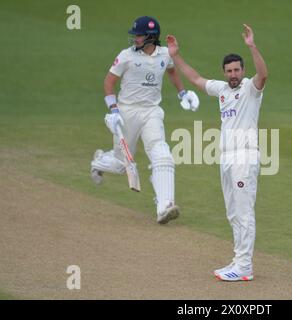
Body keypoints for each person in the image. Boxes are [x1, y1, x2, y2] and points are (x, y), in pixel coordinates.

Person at [166, 24, 268, 281]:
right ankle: (238, 260)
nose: (233, 74)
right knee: (233, 212)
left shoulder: (250, 89)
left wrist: (252, 46)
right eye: (229, 71)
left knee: (244, 211)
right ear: (224, 72)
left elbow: (263, 75)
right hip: (226, 157)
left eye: (237, 70)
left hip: (245, 155)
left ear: (242, 71)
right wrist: (175, 55)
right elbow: (196, 79)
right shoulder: (222, 90)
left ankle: (245, 266)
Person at [90, 16, 200, 224]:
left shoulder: (165, 55)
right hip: (127, 111)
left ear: (151, 37)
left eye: (139, 35)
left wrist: (182, 94)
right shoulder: (126, 56)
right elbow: (108, 83)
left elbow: (172, 72)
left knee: (162, 155)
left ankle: (164, 206)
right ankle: (98, 162)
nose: (135, 39)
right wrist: (113, 110)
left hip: (151, 111)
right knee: (121, 164)